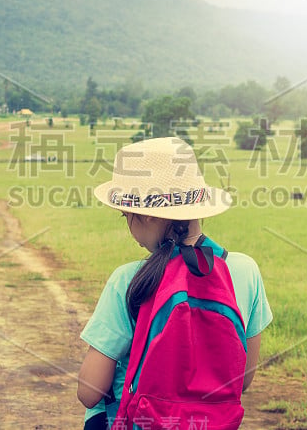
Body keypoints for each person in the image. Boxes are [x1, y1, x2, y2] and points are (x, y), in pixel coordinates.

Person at [77, 137, 272, 429]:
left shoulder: (128, 280)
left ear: (145, 215)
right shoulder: (245, 271)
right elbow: (242, 381)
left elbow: (89, 392)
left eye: (125, 216)